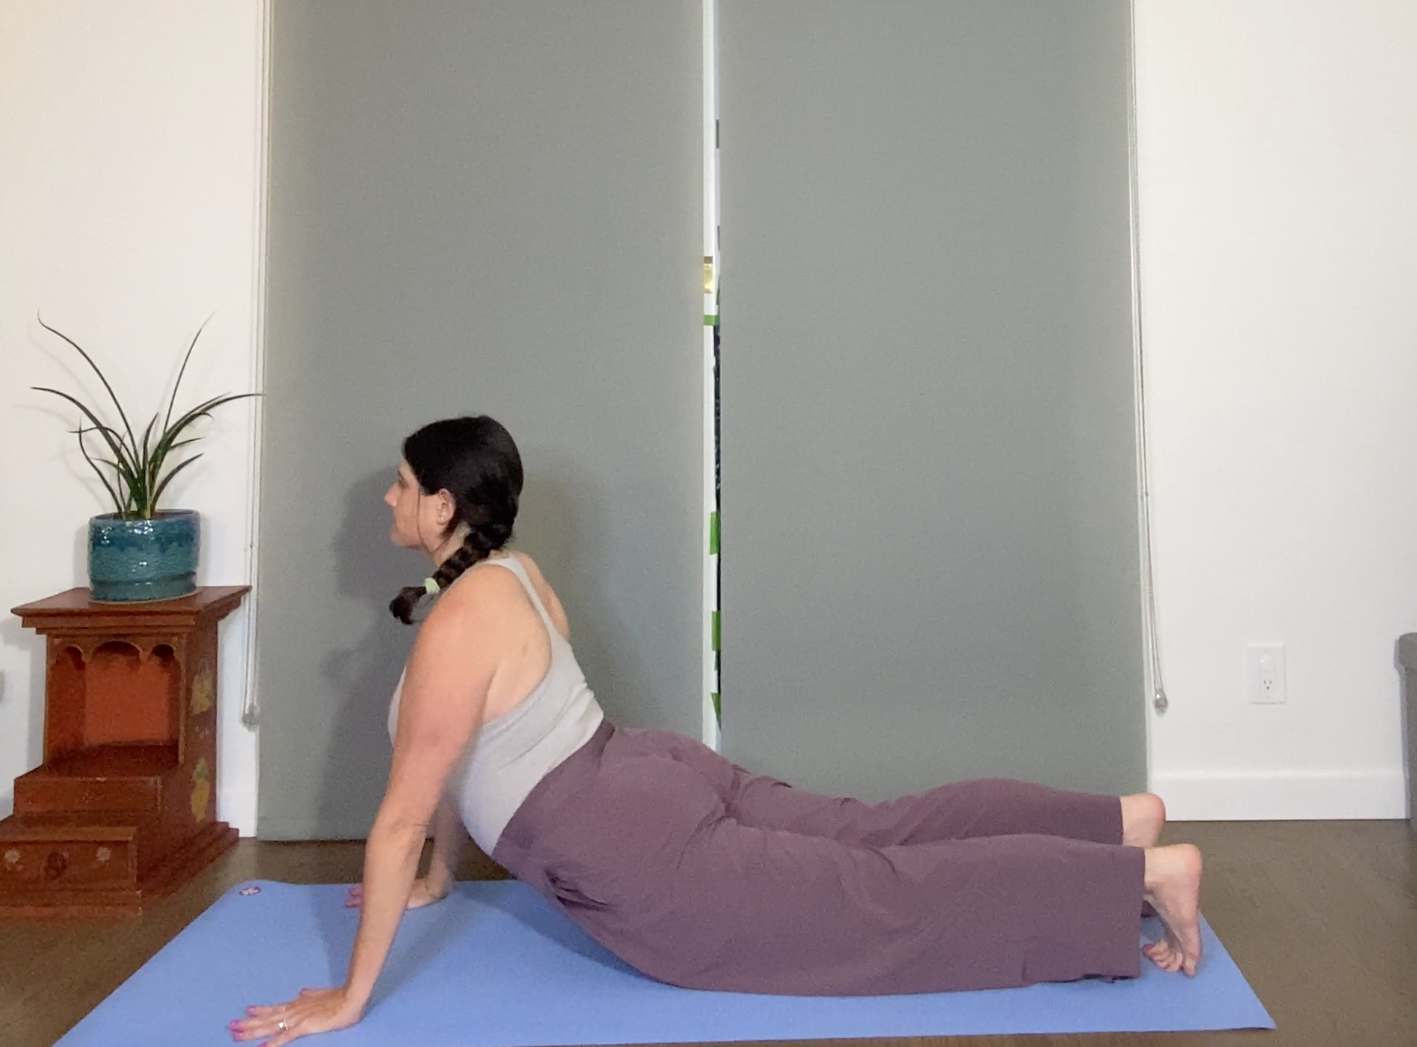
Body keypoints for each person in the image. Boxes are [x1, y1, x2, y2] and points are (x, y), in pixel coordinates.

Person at [233, 415, 1203, 1045]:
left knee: (884, 902)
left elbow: (402, 813)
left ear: (442, 505)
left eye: (402, 485)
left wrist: (350, 998)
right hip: (646, 769)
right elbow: (466, 759)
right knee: (884, 830)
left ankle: (1142, 874)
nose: (389, 498)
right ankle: (1118, 819)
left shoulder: (454, 625)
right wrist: (443, 877)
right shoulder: (510, 576)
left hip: (630, 847)